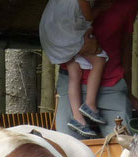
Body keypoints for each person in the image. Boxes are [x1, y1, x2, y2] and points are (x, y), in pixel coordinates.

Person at [53, 0, 138, 139]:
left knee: (122, 144)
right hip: (72, 80)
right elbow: (56, 29)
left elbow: (126, 43)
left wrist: (128, 93)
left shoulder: (129, 3)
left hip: (111, 83)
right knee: (68, 144)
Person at [40, 0, 109, 138]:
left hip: (52, 33)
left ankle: (78, 119)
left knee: (75, 72)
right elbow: (88, 16)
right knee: (99, 60)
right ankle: (90, 105)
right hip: (64, 34)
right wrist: (102, 7)